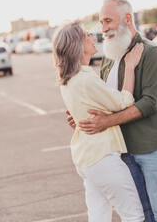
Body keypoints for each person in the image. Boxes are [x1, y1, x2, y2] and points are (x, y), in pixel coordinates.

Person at [67, 0, 157, 222]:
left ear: (128, 19)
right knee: (143, 214)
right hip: (123, 151)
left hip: (152, 148)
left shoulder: (151, 53)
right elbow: (107, 102)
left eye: (108, 21)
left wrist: (105, 122)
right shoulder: (109, 57)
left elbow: (149, 103)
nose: (103, 28)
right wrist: (82, 117)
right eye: (101, 22)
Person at [53, 19, 145, 222]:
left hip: (87, 159)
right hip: (102, 158)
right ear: (77, 45)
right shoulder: (85, 79)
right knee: (134, 215)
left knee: (98, 216)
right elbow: (123, 102)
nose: (93, 37)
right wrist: (130, 67)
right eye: (87, 35)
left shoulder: (68, 80)